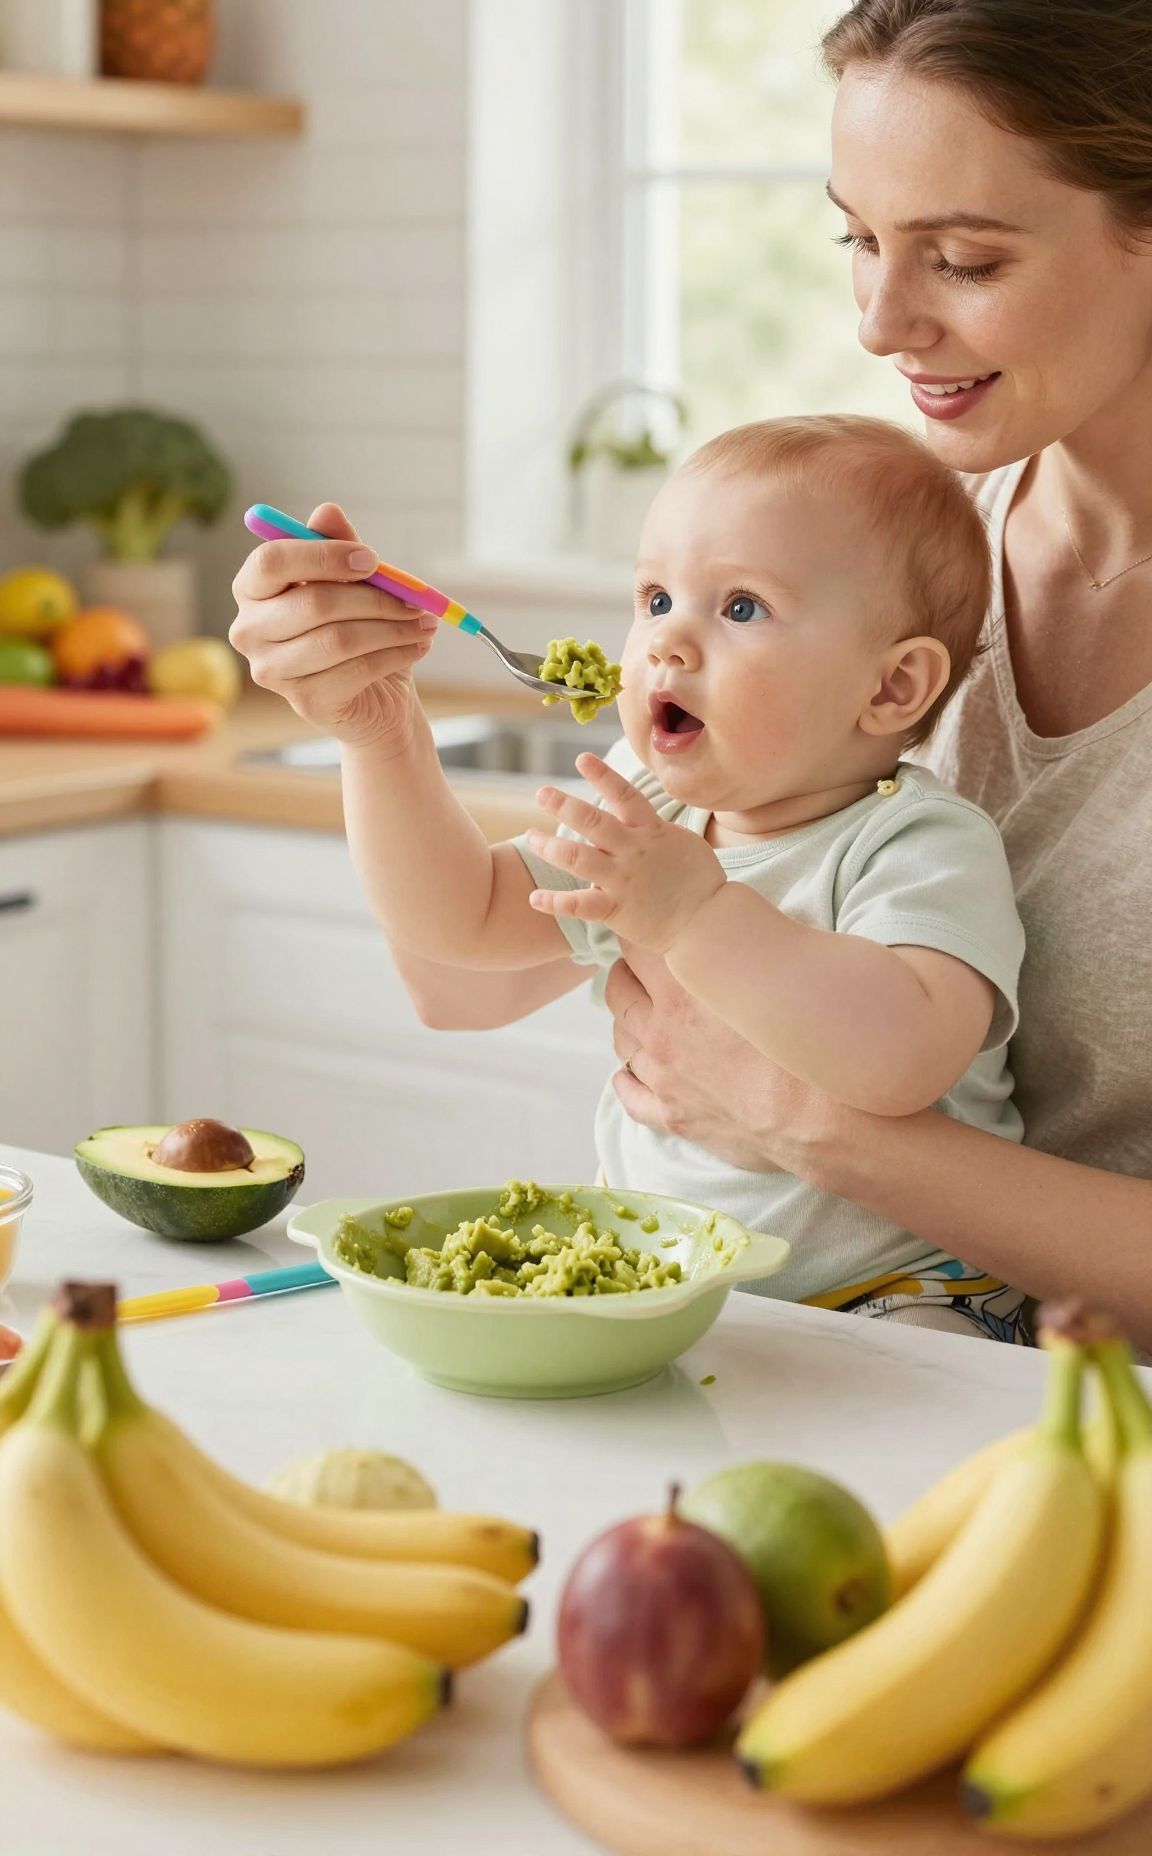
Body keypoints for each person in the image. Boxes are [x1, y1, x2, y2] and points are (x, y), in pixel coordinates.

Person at [230, 0, 1152, 1354]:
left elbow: (824, 1078)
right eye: (857, 237)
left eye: (965, 259)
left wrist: (811, 1125)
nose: (879, 321)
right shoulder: (893, 556)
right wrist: (370, 723)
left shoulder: (872, 607)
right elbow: (459, 964)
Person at [234, 411, 1030, 1340]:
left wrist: (695, 916)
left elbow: (900, 1059)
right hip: (683, 1291)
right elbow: (466, 924)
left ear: (892, 687)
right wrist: (376, 735)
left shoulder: (918, 841)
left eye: (740, 608)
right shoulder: (652, 813)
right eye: (654, 599)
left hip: (900, 1295)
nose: (667, 644)